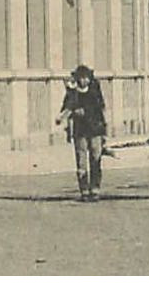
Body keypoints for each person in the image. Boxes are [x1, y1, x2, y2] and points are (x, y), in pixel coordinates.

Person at [57, 65, 109, 201]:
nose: (84, 80)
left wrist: (85, 112)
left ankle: (95, 189)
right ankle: (84, 190)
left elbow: (99, 108)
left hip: (95, 129)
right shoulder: (72, 92)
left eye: (86, 77)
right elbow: (67, 107)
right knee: (81, 161)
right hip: (80, 130)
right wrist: (63, 117)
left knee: (95, 158)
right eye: (81, 78)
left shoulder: (95, 90)